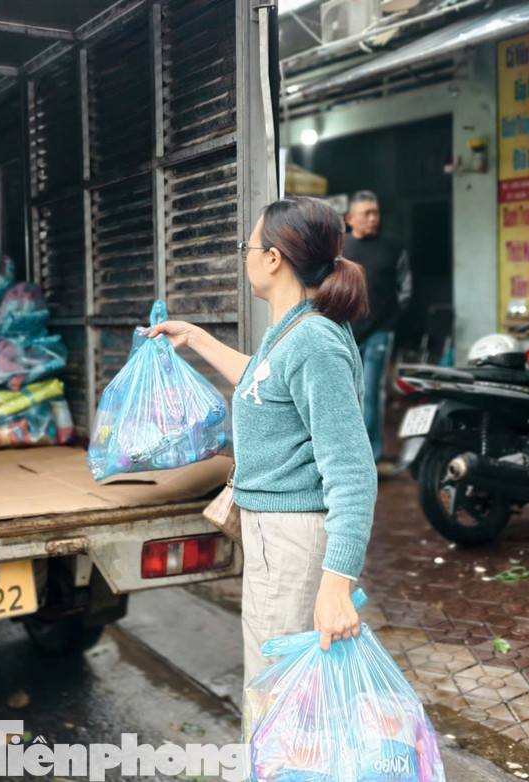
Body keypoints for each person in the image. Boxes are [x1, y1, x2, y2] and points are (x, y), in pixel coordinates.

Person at [146, 196, 376, 680]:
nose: (245, 257)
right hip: (277, 538)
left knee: (277, 689)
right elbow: (264, 382)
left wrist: (336, 583)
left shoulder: (313, 342)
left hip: (293, 540)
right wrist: (196, 338)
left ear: (272, 258)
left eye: (246, 248)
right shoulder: (291, 329)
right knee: (280, 685)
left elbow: (353, 470)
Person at [340, 191, 411, 464]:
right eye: (366, 213)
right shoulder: (340, 248)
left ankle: (370, 455)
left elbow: (405, 289)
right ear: (350, 219)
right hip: (346, 331)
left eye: (376, 213)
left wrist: (389, 320)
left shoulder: (393, 247)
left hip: (380, 331)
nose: (373, 218)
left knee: (370, 391)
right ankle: (347, 451)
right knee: (345, 392)